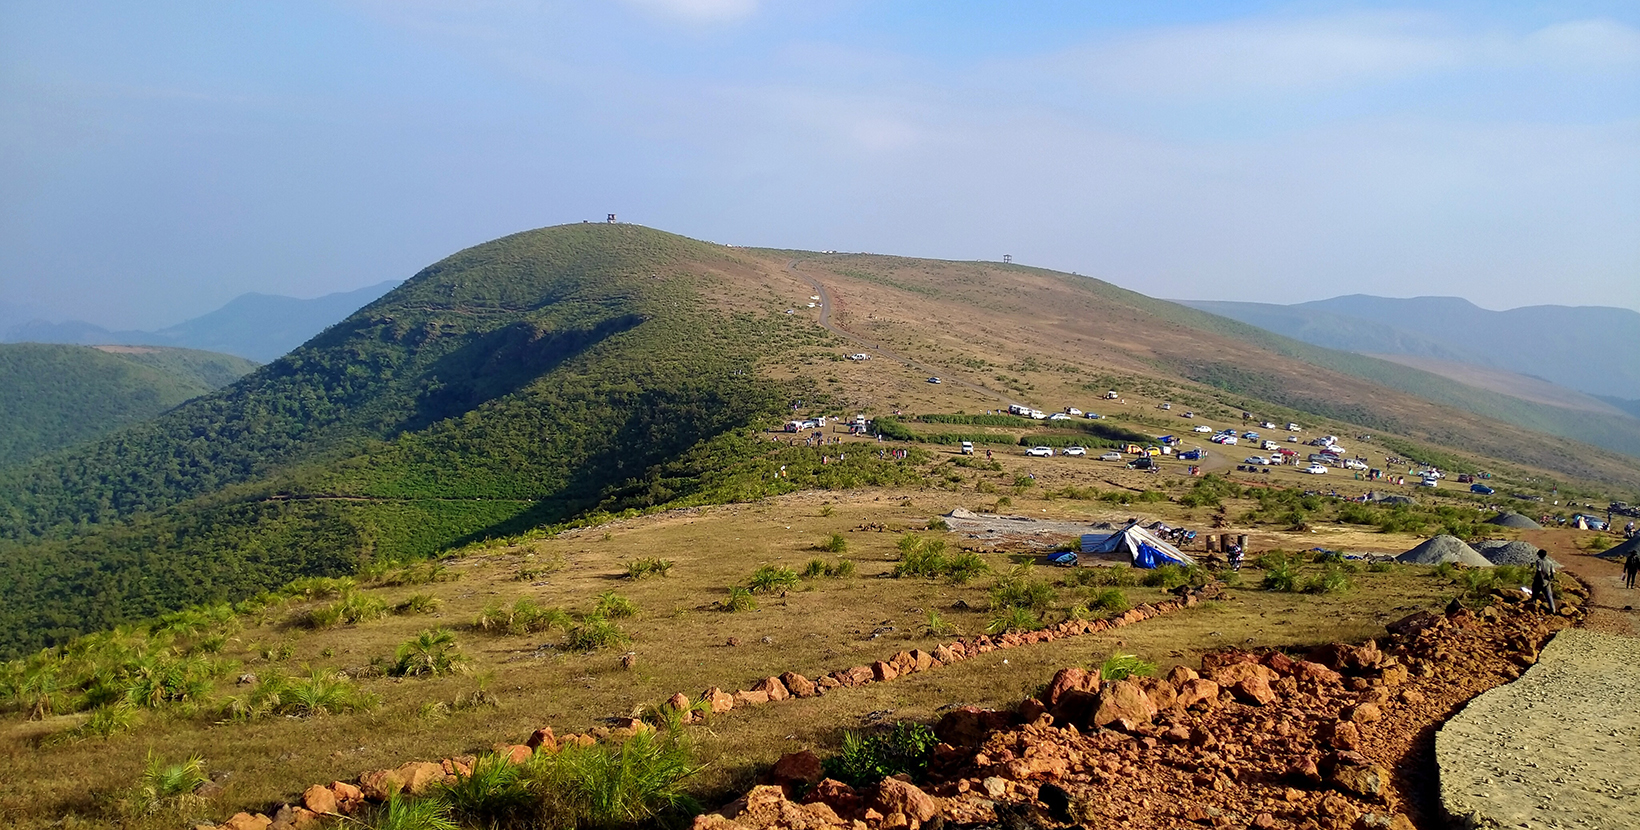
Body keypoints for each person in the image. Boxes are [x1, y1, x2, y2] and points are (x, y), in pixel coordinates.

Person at [1531, 549, 1557, 614]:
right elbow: (1553, 573)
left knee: (1535, 593)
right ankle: (1553, 610)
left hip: (1539, 580)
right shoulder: (1550, 562)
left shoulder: (1539, 562)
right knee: (1549, 595)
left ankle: (1532, 607)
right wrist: (1550, 579)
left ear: (1539, 555)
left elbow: (1539, 571)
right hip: (1547, 581)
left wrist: (1540, 580)